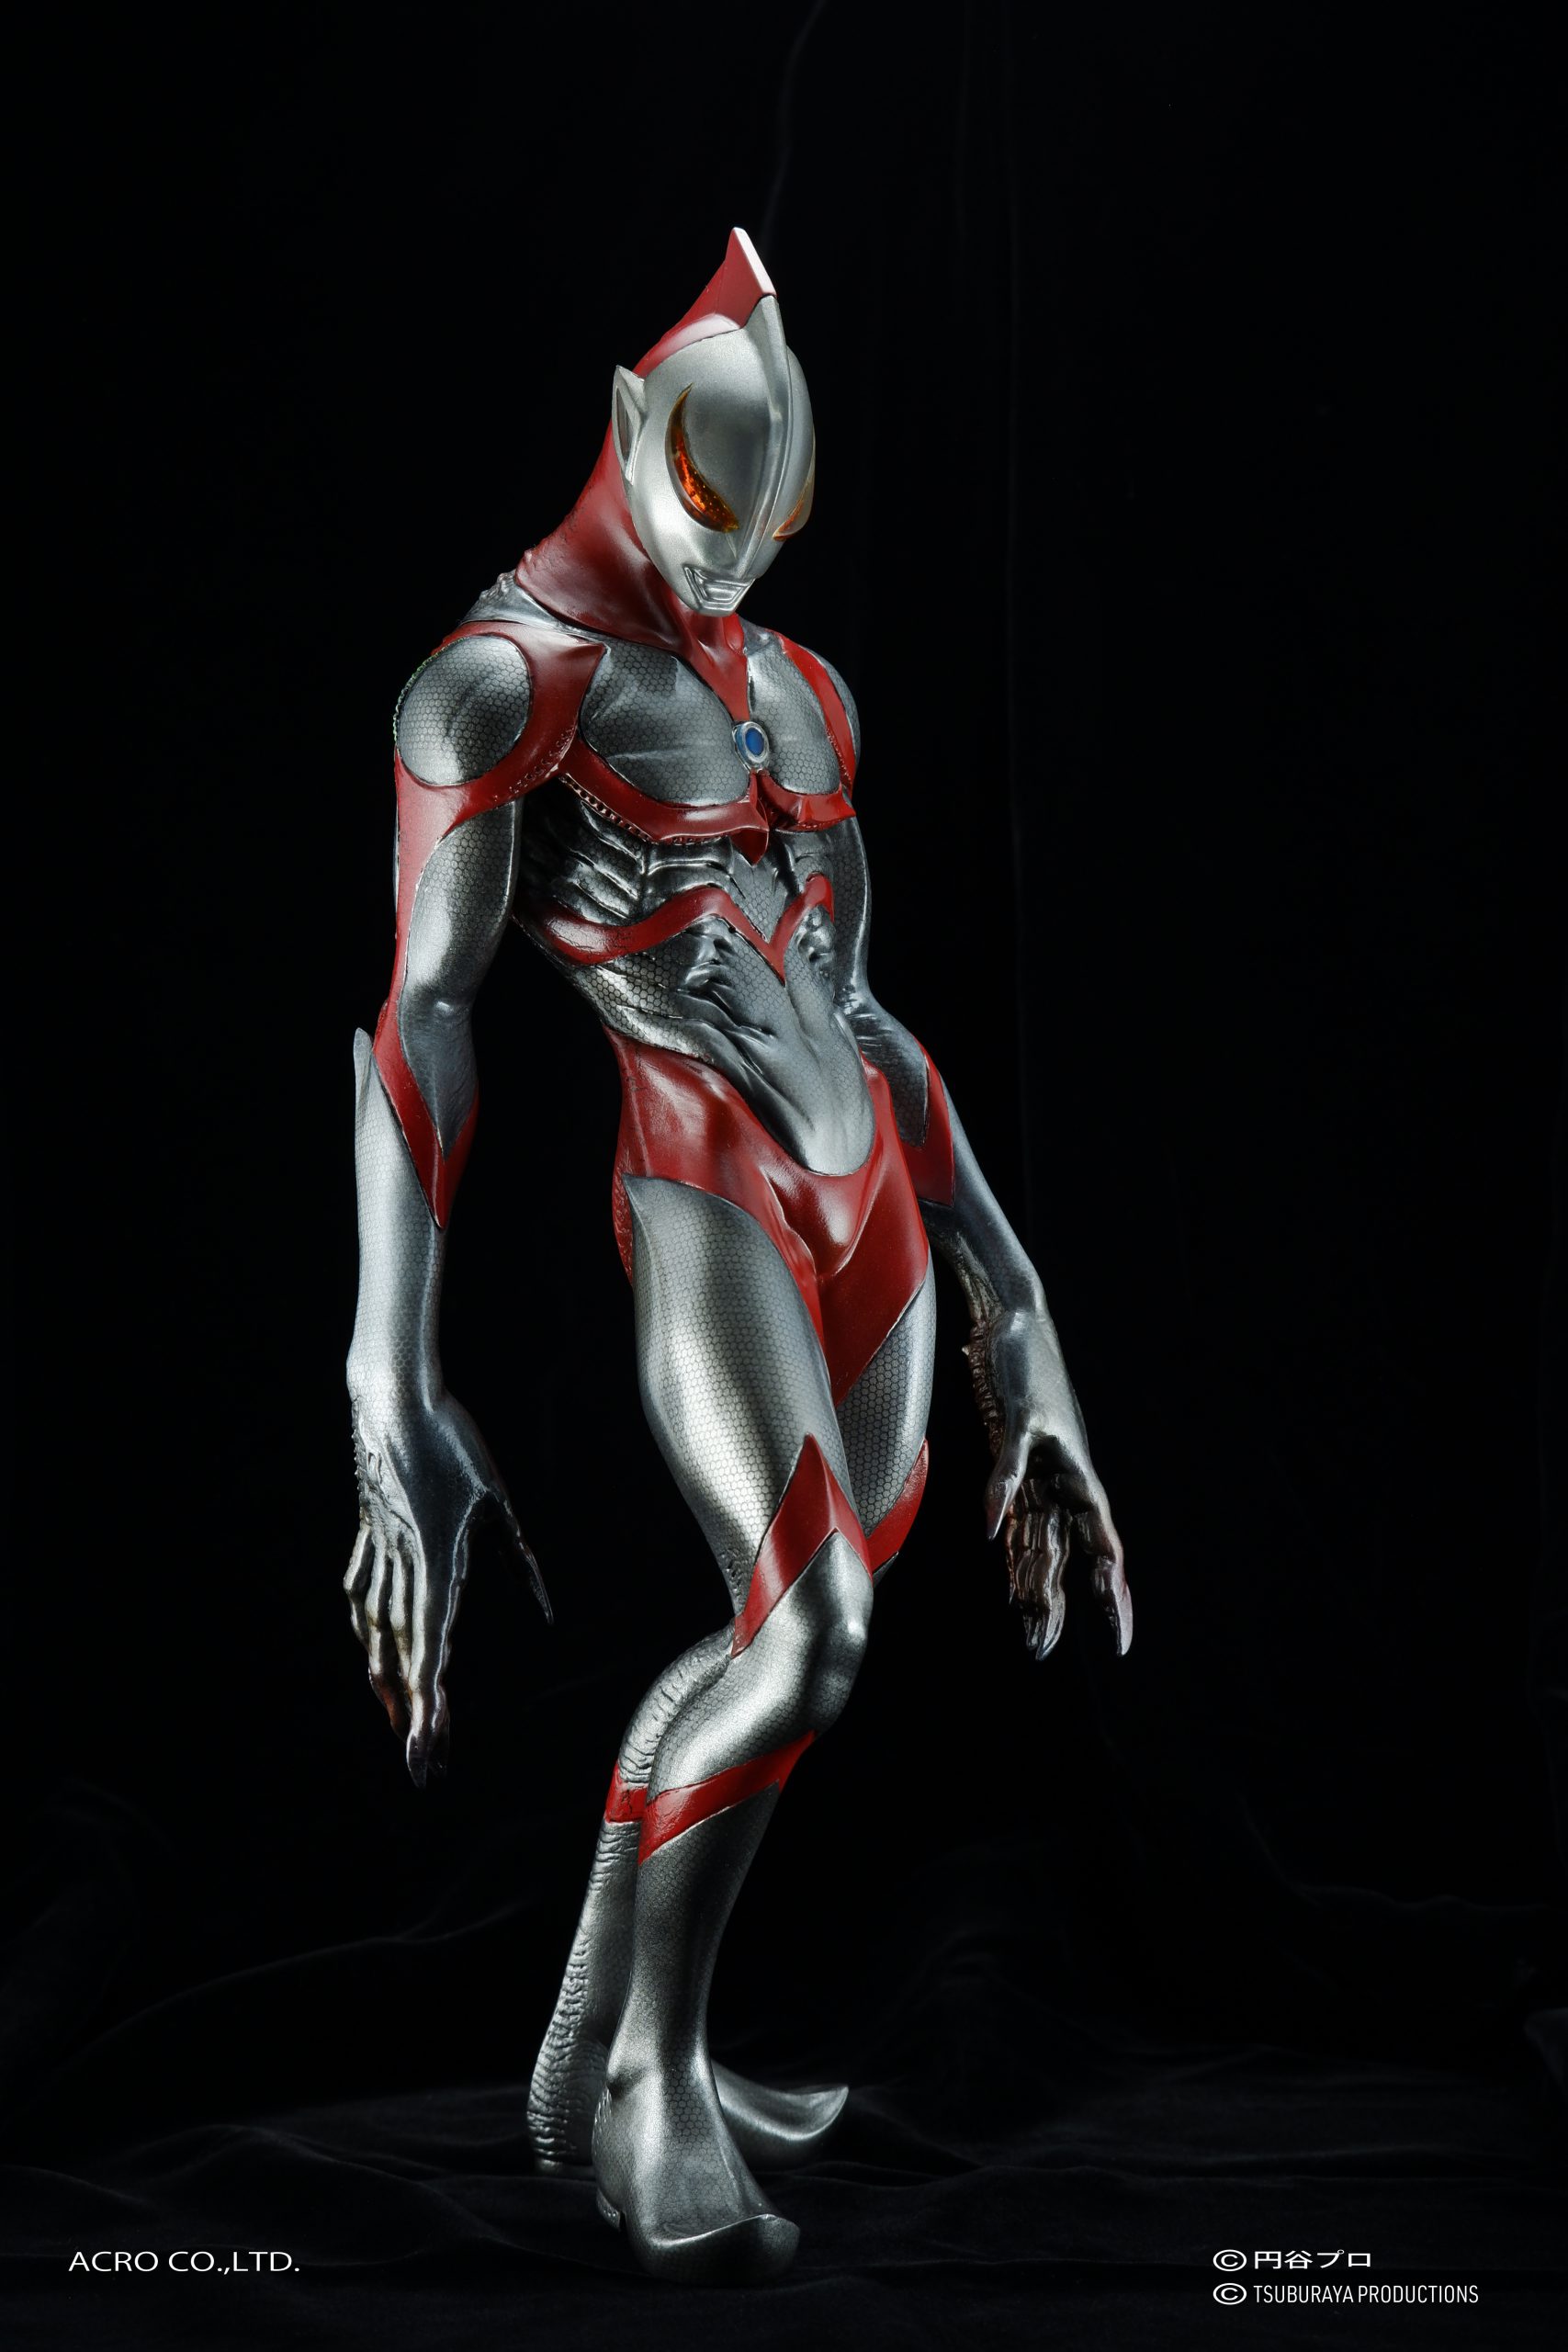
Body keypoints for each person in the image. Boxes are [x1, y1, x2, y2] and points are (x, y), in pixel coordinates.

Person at [344, 227, 1132, 2284]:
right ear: (632, 423)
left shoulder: (797, 689)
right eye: (708, 479)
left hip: (868, 1203)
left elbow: (858, 1014)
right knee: (806, 1643)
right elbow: (421, 1021)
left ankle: (582, 2058)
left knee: (781, 1647)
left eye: (769, 503)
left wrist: (1021, 1316)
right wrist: (385, 1379)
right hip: (703, 1192)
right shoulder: (498, 683)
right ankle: (650, 2085)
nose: (732, 542)